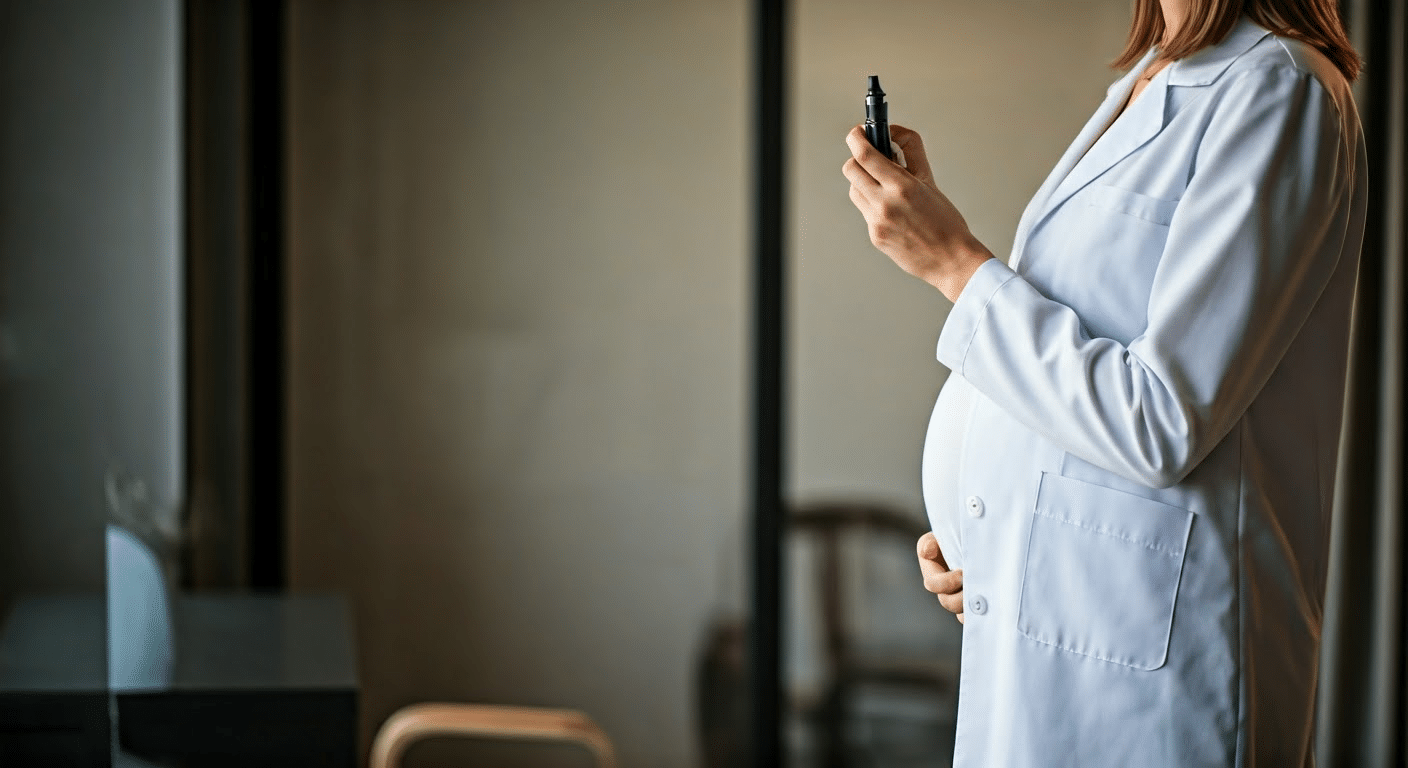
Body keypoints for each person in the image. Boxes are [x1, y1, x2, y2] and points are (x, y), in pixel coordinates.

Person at [842, 0, 1366, 765]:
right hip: (1054, 618)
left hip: (1153, 670)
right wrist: (987, 534)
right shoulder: (1154, 77)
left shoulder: (1279, 87)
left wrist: (954, 262)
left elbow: (1160, 419)